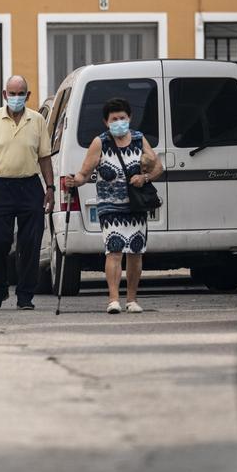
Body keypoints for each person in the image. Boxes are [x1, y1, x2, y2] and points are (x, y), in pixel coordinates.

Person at [66, 97, 162, 314]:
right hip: (110, 206)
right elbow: (85, 172)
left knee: (135, 252)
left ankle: (132, 299)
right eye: (114, 119)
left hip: (136, 205)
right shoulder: (100, 142)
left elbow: (158, 167)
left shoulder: (138, 139)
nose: (119, 122)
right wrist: (75, 181)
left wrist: (144, 178)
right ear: (106, 122)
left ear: (130, 118)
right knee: (115, 250)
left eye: (122, 118)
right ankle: (113, 299)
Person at [0, 76, 55, 310]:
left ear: (28, 96)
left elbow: (44, 157)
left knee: (30, 243)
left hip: (30, 186)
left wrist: (50, 187)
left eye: (20, 94)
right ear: (4, 94)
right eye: (12, 93)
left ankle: (25, 295)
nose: (16, 98)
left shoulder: (37, 120)